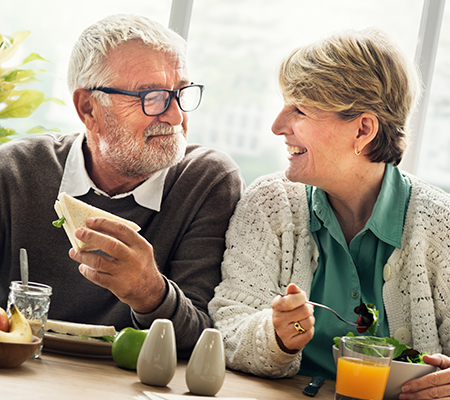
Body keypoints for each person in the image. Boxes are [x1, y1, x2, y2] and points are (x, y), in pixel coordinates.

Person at [209, 27, 450, 397]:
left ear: (363, 129)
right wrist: (276, 337)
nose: (277, 126)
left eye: (300, 110)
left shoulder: (441, 227)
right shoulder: (270, 203)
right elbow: (227, 326)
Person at [0, 14, 244, 357]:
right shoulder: (13, 172)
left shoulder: (206, 181)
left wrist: (150, 292)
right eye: (152, 97)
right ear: (88, 109)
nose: (175, 117)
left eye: (181, 93)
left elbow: (204, 340)